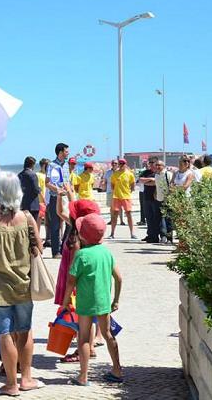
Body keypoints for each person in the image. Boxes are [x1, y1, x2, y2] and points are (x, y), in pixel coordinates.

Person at [0, 172, 44, 396]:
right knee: (24, 331)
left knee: (4, 334)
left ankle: (11, 384)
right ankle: (27, 378)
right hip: (24, 283)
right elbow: (39, 248)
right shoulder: (27, 218)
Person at [62, 213, 123, 386]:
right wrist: (116, 300)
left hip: (85, 303)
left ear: (82, 235)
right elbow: (119, 278)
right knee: (108, 334)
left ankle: (83, 376)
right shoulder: (106, 252)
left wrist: (66, 301)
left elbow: (70, 282)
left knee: (83, 338)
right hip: (104, 302)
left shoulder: (81, 255)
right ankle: (117, 370)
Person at [53, 194, 103, 362]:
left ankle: (85, 349)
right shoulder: (79, 228)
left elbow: (76, 266)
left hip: (74, 280)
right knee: (86, 317)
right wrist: (60, 196)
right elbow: (60, 212)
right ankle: (90, 347)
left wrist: (70, 290)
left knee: (82, 317)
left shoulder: (80, 238)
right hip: (73, 278)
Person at [46, 143, 70, 258]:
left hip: (66, 198)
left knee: (70, 223)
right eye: (66, 151)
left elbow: (68, 182)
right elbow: (47, 183)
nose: (68, 153)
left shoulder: (66, 165)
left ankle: (63, 247)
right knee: (55, 226)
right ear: (60, 152)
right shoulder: (52, 165)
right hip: (55, 197)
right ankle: (56, 252)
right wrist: (57, 189)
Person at [109, 159, 137, 240]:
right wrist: (115, 191)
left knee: (129, 214)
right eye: (120, 163)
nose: (121, 165)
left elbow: (133, 184)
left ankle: (132, 233)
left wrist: (129, 191)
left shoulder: (129, 174)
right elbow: (112, 184)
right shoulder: (115, 174)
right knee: (115, 215)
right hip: (116, 196)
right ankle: (112, 233)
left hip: (126, 196)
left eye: (122, 163)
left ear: (125, 164)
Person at [138, 157, 158, 243]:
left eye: (152, 162)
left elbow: (156, 182)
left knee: (156, 218)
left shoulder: (158, 173)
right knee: (148, 218)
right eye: (149, 163)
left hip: (155, 198)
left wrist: (150, 182)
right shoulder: (146, 172)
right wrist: (150, 179)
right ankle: (150, 235)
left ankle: (157, 236)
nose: (150, 164)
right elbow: (140, 180)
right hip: (146, 197)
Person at [154, 160, 174, 244]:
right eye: (156, 165)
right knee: (159, 219)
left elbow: (172, 186)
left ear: (163, 166)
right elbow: (157, 186)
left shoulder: (168, 174)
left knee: (168, 220)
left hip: (167, 200)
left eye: (159, 165)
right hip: (159, 199)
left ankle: (169, 238)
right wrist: (155, 194)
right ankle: (162, 236)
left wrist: (169, 197)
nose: (158, 167)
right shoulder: (156, 175)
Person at [101, 160, 125, 226]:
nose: (114, 164)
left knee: (119, 207)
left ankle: (121, 221)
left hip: (119, 191)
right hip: (110, 191)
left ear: (118, 164)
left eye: (116, 163)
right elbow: (104, 181)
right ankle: (112, 220)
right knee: (111, 207)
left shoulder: (120, 172)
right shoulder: (108, 172)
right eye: (113, 163)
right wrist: (103, 185)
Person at [18, 156, 41, 223]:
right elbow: (36, 189)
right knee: (33, 224)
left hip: (24, 203)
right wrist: (40, 189)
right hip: (33, 205)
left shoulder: (20, 175)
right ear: (32, 165)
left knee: (25, 224)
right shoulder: (32, 175)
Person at [37, 158, 50, 246]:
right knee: (39, 219)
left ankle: (47, 238)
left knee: (47, 221)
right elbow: (38, 188)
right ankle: (37, 237)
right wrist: (43, 199)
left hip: (49, 200)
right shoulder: (38, 175)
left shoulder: (47, 175)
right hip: (41, 201)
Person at [137, 161, 148, 226]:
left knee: (148, 206)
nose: (147, 165)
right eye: (145, 164)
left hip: (147, 191)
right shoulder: (142, 172)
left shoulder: (152, 172)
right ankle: (142, 220)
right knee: (142, 206)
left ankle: (147, 219)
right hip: (142, 191)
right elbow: (139, 180)